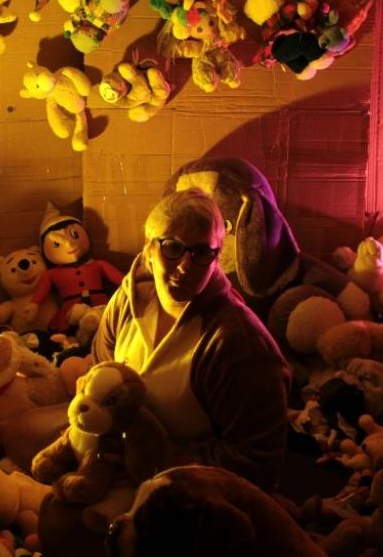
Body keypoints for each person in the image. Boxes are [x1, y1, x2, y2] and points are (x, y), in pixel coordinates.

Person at [92, 187, 290, 491]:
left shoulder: (238, 343)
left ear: (217, 257)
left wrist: (161, 463)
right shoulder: (126, 302)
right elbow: (98, 378)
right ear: (148, 249)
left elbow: (256, 459)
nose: (185, 266)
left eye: (201, 253)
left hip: (191, 494)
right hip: (117, 466)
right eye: (173, 247)